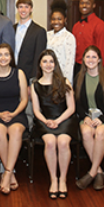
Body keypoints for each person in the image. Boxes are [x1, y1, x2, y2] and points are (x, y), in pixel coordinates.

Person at [0, 44, 28, 195]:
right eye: (0, 55)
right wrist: (0, 114)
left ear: (11, 57)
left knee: (15, 131)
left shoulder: (19, 73)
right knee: (0, 132)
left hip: (16, 112)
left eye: (6, 54)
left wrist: (14, 114)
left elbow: (24, 99)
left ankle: (7, 172)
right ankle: (11, 173)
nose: (3, 58)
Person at [31, 50, 77, 199]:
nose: (48, 64)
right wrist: (46, 121)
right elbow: (36, 110)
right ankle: (53, 179)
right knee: (50, 142)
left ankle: (63, 179)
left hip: (64, 119)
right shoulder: (35, 85)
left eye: (51, 61)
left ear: (55, 64)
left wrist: (57, 121)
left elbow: (71, 108)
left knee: (63, 142)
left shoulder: (65, 81)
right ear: (40, 64)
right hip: (44, 120)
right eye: (45, 61)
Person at [74, 46, 104, 191]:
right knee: (87, 132)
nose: (91, 60)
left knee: (100, 132)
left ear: (99, 59)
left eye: (94, 57)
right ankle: (99, 171)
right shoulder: (79, 77)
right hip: (88, 117)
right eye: (87, 57)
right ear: (83, 60)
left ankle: (92, 172)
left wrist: (102, 118)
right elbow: (77, 102)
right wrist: (84, 117)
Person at [72, 0, 104, 76]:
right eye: (82, 3)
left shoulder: (100, 25)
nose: (84, 5)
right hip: (77, 66)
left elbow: (102, 52)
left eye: (88, 3)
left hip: (92, 67)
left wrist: (99, 72)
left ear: (94, 5)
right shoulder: (76, 26)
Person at [13, 0, 47, 80]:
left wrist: (33, 80)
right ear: (17, 9)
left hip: (28, 75)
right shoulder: (11, 29)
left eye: (26, 7)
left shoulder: (39, 31)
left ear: (31, 9)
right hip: (12, 73)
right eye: (20, 7)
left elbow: (38, 58)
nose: (23, 10)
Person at [46, 0, 76, 84]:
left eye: (59, 19)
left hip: (61, 78)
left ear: (65, 20)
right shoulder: (47, 35)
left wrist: (67, 81)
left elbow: (70, 63)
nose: (56, 22)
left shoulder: (69, 37)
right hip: (47, 76)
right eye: (53, 19)